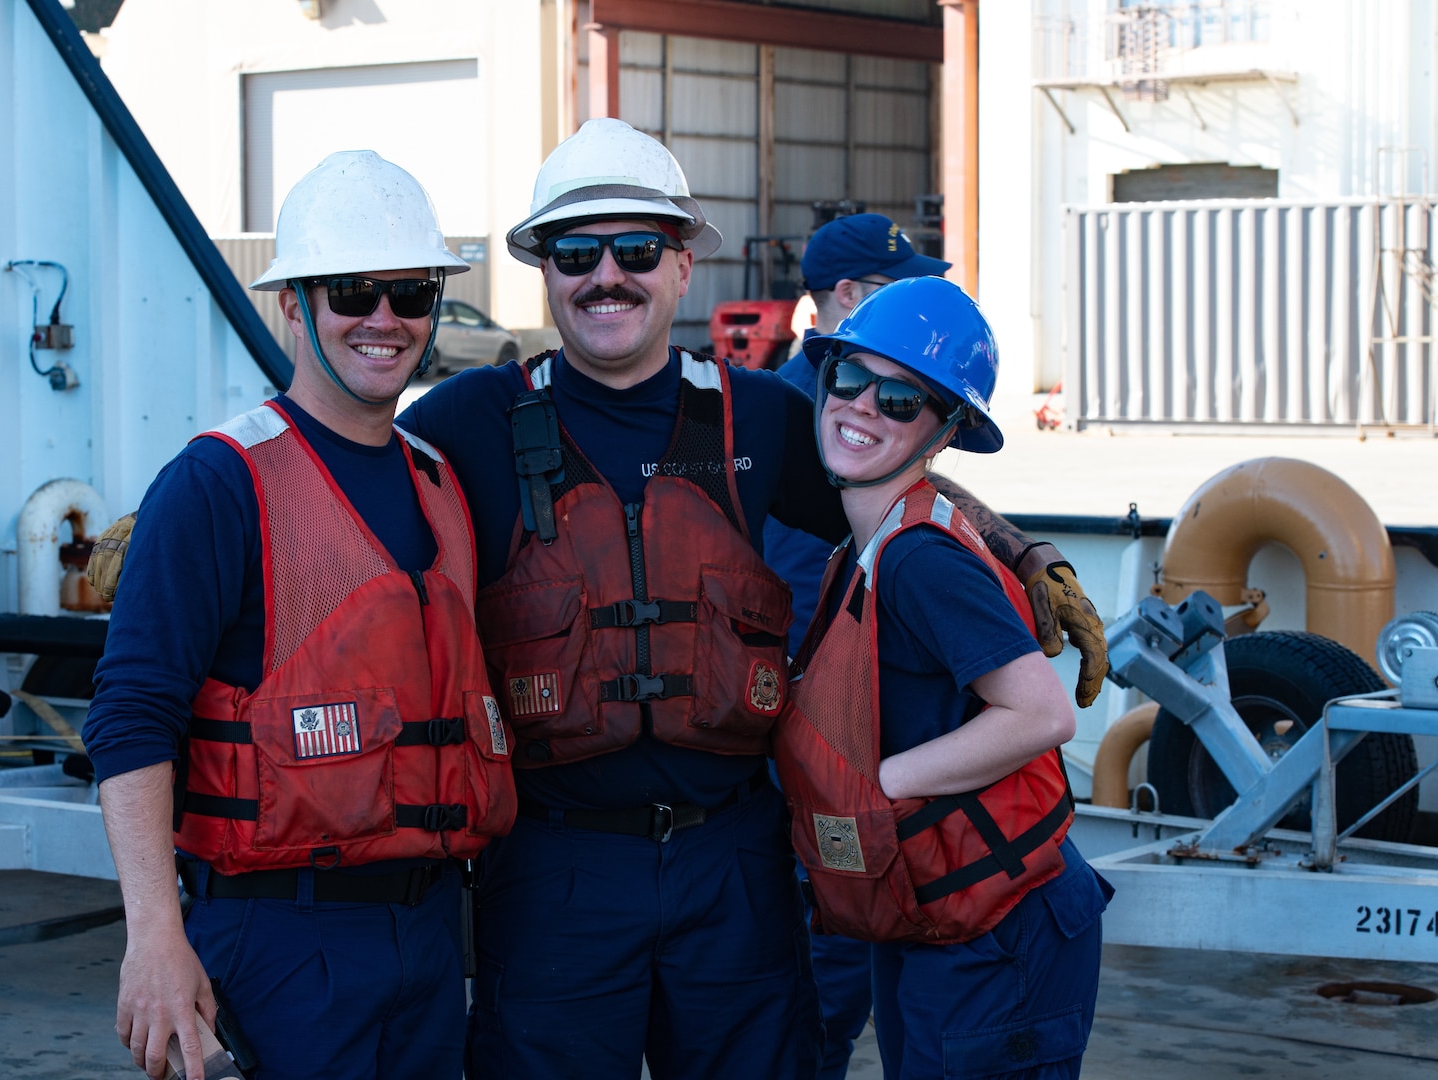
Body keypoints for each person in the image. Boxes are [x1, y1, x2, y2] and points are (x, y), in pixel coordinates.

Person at [397, 118, 1109, 1079]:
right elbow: (338, 486)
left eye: (638, 248)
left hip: (733, 866)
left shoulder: (765, 417)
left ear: (682, 265)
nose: (607, 274)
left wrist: (1026, 552)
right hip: (553, 873)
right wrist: (181, 512)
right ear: (545, 270)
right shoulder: (464, 421)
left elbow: (903, 471)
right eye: (576, 252)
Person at [81, 151, 517, 1080]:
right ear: (293, 305)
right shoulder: (219, 482)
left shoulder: (439, 483)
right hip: (281, 931)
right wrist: (154, 936)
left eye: (410, 291)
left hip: (432, 926)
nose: (384, 319)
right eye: (353, 291)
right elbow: (129, 716)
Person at [775, 277, 1112, 1079]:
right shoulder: (871, 540)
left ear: (945, 429)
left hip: (1001, 927)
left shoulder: (919, 559)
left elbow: (1038, 714)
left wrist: (871, 783)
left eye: (899, 401)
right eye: (849, 380)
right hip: (938, 911)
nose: (860, 408)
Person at [763, 212, 951, 1080]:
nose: (926, 300)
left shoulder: (842, 402)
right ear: (845, 299)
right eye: (902, 284)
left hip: (826, 750)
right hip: (821, 741)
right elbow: (810, 595)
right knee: (825, 987)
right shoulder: (816, 417)